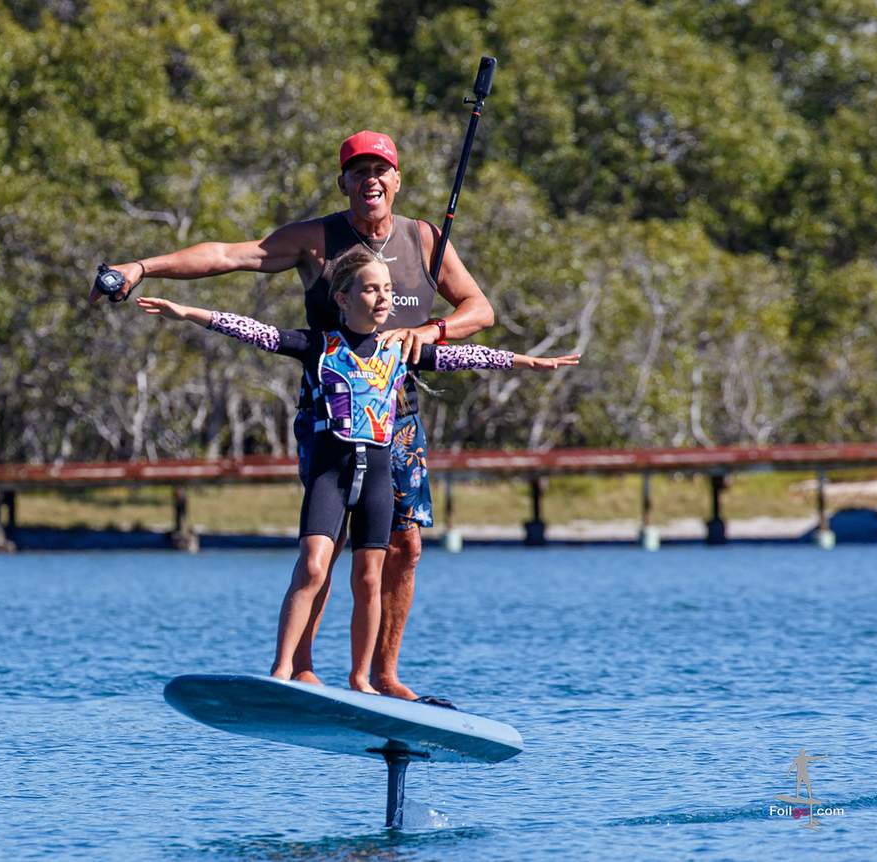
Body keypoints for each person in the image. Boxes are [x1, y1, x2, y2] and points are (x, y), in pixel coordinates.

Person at [92, 130, 495, 701]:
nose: (370, 180)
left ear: (398, 180)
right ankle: (301, 666)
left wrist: (432, 331)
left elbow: (481, 309)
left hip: (395, 416)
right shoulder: (317, 240)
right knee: (323, 546)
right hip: (328, 414)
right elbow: (231, 256)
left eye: (381, 170)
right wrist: (143, 266)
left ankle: (382, 675)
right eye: (358, 172)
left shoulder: (425, 238)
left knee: (405, 547)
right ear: (344, 183)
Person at [136, 248, 578, 693]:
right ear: (344, 298)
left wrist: (528, 362)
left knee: (369, 579)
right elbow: (255, 332)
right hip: (332, 472)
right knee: (312, 567)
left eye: (387, 289)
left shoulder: (400, 349)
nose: (383, 298)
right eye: (371, 289)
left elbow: (468, 357)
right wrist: (187, 312)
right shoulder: (319, 346)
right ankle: (282, 671)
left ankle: (360, 679)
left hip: (378, 478)